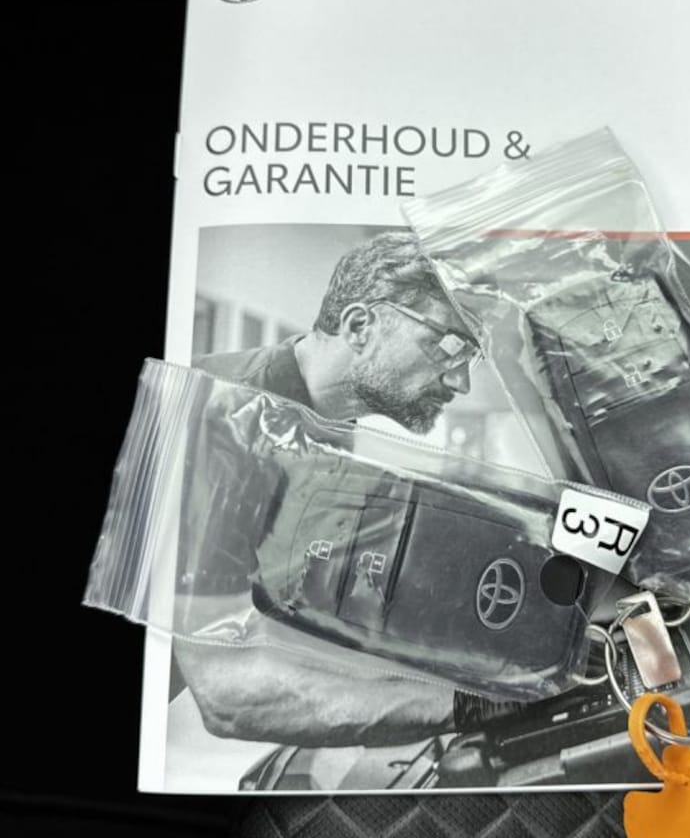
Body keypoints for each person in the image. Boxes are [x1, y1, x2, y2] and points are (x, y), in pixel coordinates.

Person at [174, 231, 478, 748]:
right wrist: (469, 705)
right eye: (448, 345)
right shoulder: (225, 416)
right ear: (359, 325)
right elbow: (226, 688)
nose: (461, 382)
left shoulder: (325, 432)